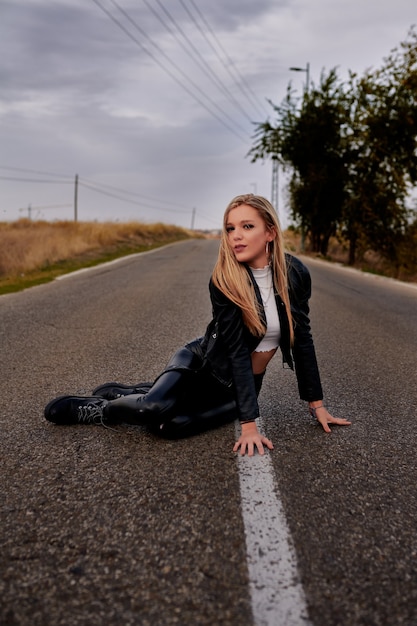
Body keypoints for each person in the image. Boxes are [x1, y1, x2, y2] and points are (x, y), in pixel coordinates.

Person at [45, 194, 351, 455]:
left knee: (167, 426)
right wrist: (248, 427)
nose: (236, 236)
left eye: (247, 226)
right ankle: (102, 409)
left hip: (237, 388)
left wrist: (317, 405)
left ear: (270, 232)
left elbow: (303, 339)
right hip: (201, 365)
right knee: (150, 411)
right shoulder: (225, 281)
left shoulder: (295, 273)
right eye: (231, 228)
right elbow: (235, 351)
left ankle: (138, 390)